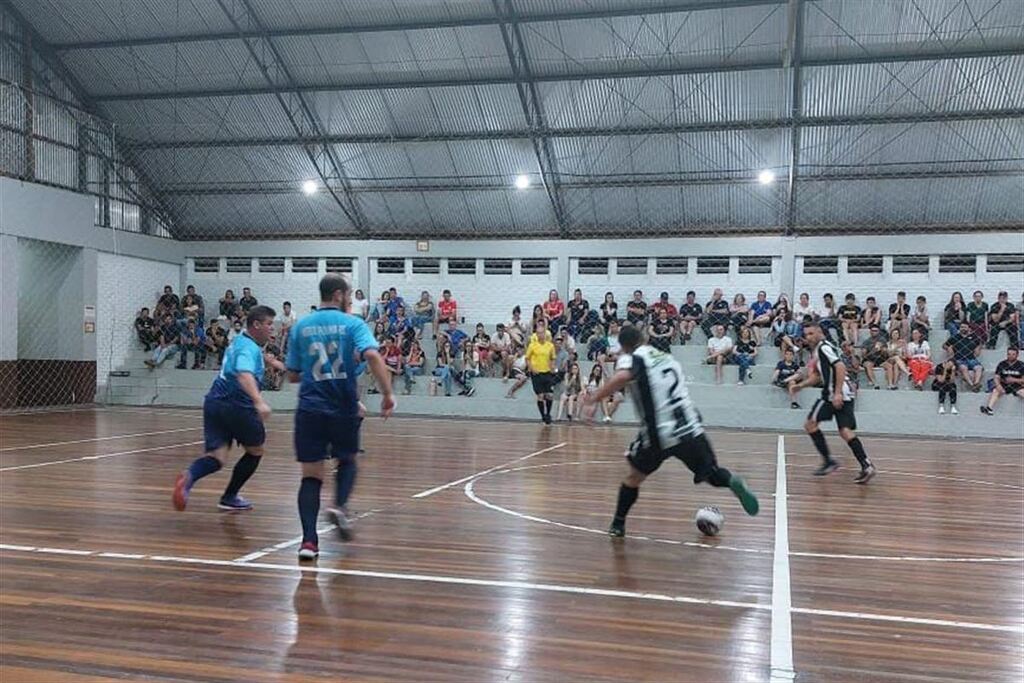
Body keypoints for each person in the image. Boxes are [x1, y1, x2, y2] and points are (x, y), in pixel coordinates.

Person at [581, 325, 759, 538]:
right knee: (712, 473)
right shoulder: (667, 358)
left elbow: (622, 377)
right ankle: (732, 482)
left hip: (659, 433)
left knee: (634, 477)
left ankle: (618, 524)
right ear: (644, 337)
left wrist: (593, 399)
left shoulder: (632, 357)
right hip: (690, 426)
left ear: (624, 346)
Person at [284, 274, 394, 560]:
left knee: (310, 476)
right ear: (337, 295)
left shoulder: (300, 326)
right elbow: (372, 355)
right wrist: (387, 394)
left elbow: (293, 375)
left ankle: (308, 542)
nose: (350, 300)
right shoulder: (353, 324)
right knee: (348, 460)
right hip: (343, 406)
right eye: (348, 295)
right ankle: (339, 505)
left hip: (309, 408)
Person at [172, 305, 277, 513]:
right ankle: (229, 497)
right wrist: (258, 401)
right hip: (238, 404)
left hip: (214, 401)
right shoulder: (249, 348)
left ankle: (189, 478)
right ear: (256, 325)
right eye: (269, 324)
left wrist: (272, 363)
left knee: (216, 457)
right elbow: (243, 373)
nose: (271, 329)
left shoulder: (239, 341)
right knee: (255, 451)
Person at [793, 320, 876, 483]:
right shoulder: (819, 350)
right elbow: (817, 376)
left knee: (810, 424)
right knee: (845, 431)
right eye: (806, 335)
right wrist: (800, 385)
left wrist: (836, 393)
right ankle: (867, 465)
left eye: (811, 333)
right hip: (845, 392)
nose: (808, 337)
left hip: (833, 393)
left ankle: (828, 461)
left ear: (819, 332)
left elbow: (840, 367)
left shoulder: (823, 347)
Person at [526, 319, 557, 424]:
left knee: (549, 395)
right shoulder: (532, 345)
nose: (540, 335)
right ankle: (543, 415)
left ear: (545, 333)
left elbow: (553, 358)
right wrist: (531, 368)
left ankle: (548, 413)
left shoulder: (550, 346)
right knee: (540, 395)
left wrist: (552, 367)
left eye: (542, 333)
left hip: (547, 372)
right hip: (537, 373)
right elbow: (527, 358)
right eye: (538, 333)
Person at [981, 347, 1024, 415]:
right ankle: (989, 408)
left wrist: (1014, 379)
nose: (1011, 356)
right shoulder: (1002, 364)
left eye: (1013, 354)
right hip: (1004, 384)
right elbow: (996, 377)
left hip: (1017, 385)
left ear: (1017, 355)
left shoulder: (1021, 365)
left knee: (1022, 392)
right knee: (995, 390)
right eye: (1009, 354)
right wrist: (998, 385)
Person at [944, 322, 984, 392]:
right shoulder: (955, 337)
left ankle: (976, 383)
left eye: (965, 327)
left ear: (968, 328)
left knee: (979, 367)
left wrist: (978, 348)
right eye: (961, 327)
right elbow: (944, 345)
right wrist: (949, 349)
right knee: (963, 368)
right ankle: (972, 385)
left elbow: (980, 343)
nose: (963, 328)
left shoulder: (973, 337)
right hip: (959, 359)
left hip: (971, 358)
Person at [859, 324, 888, 389]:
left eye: (876, 331)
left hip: (880, 358)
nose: (874, 332)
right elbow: (864, 355)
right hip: (869, 358)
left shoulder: (882, 340)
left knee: (889, 365)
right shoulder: (866, 341)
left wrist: (883, 350)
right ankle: (874, 382)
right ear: (870, 331)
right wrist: (872, 351)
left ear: (878, 331)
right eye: (873, 330)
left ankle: (890, 384)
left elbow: (885, 354)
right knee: (868, 365)